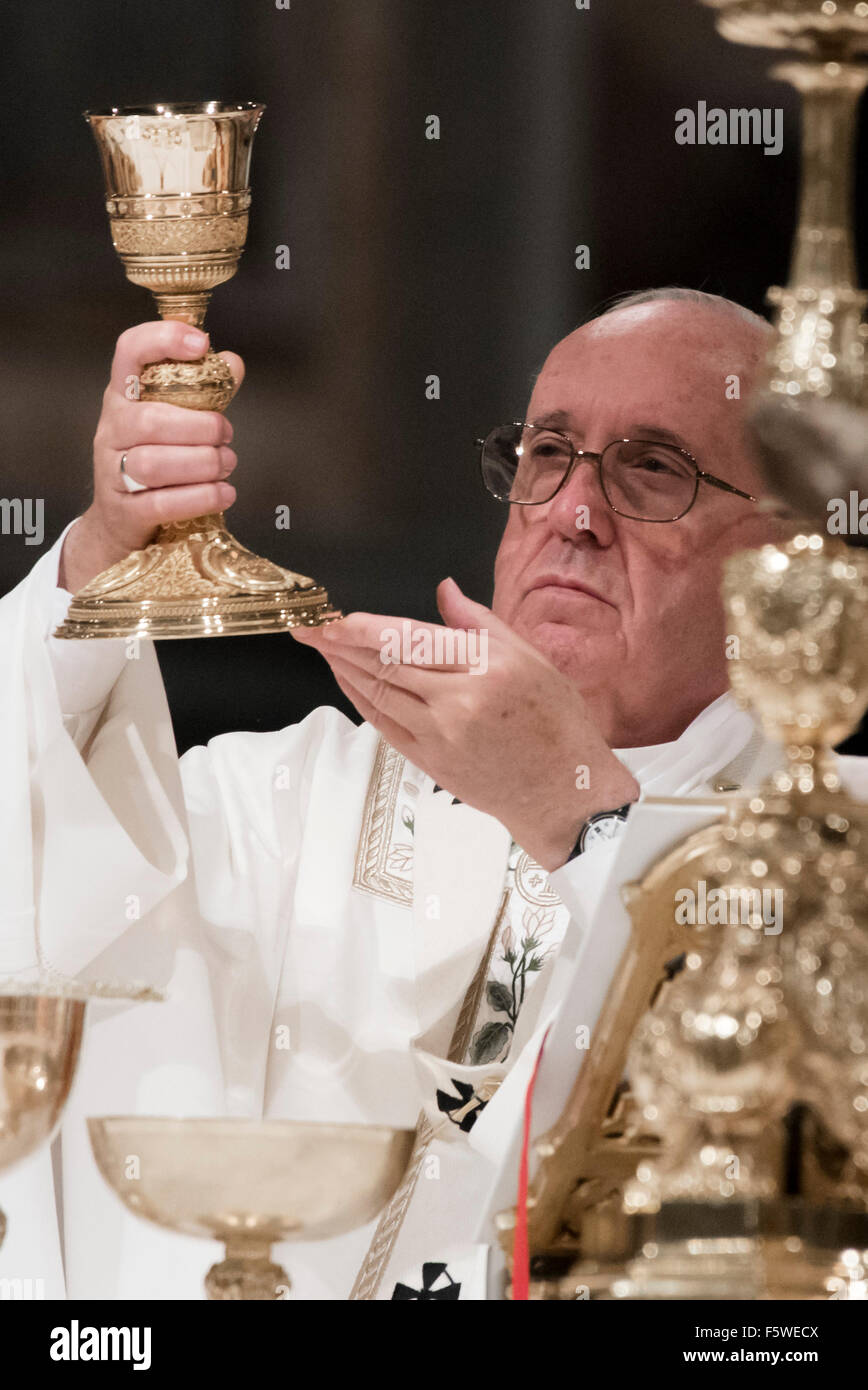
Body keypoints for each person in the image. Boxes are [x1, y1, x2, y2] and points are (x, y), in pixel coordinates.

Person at [2, 288, 864, 1301]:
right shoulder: (280, 802)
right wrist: (103, 560)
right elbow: (33, 860)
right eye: (547, 455)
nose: (574, 515)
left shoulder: (834, 847)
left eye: (652, 469)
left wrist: (582, 817)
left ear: (787, 560)